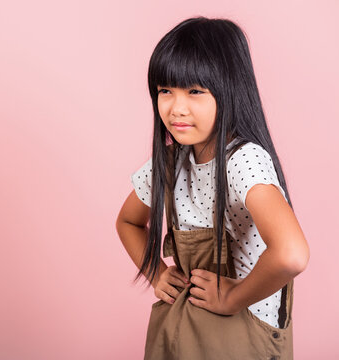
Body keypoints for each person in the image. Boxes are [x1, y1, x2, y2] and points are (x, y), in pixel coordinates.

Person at [115, 16, 310, 359]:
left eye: (195, 91)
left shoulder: (242, 161)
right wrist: (158, 274)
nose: (177, 108)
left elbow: (291, 254)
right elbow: (128, 222)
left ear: (229, 91)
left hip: (241, 332)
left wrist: (231, 297)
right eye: (165, 91)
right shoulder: (172, 160)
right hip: (180, 328)